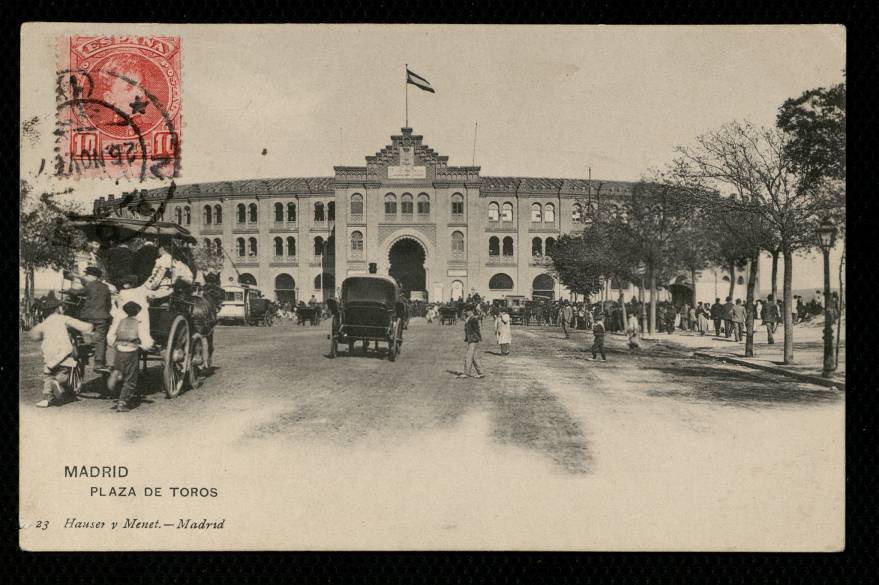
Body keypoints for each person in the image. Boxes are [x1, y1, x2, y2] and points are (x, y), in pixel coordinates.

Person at [29, 298, 94, 407]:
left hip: (49, 351)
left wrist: (39, 336)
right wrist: (91, 326)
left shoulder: (45, 322)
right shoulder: (63, 318)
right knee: (64, 372)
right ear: (58, 308)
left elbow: (34, 334)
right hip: (63, 350)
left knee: (49, 374)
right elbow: (81, 326)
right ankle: (58, 382)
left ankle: (46, 398)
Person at [107, 301, 154, 412]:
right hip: (132, 351)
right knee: (131, 379)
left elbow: (110, 336)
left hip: (119, 350)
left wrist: (114, 343)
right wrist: (145, 346)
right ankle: (122, 403)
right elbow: (146, 340)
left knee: (121, 371)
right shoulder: (139, 323)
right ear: (137, 311)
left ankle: (117, 374)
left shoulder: (120, 322)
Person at [67, 266, 112, 371]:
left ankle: (83, 349)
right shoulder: (105, 287)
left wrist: (70, 290)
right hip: (102, 317)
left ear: (93, 276)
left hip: (88, 317)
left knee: (84, 333)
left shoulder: (90, 286)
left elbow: (77, 292)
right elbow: (108, 304)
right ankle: (98, 363)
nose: (87, 276)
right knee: (100, 340)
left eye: (87, 275)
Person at [459, 305, 485, 378]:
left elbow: (477, 325)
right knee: (474, 357)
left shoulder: (473, 319)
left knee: (469, 356)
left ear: (471, 311)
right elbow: (462, 318)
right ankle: (481, 373)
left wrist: (480, 313)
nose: (466, 312)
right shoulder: (469, 318)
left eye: (467, 311)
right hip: (472, 339)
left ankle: (466, 372)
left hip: (473, 339)